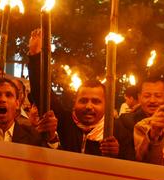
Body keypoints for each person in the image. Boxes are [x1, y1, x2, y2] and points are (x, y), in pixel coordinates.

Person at [27, 29, 130, 159]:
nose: (89, 106)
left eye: (96, 101)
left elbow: (132, 164)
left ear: (107, 105)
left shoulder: (119, 131)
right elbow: (41, 92)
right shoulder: (63, 122)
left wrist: (117, 154)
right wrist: (35, 56)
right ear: (74, 102)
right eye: (83, 100)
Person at [114, 76, 164, 151]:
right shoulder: (124, 123)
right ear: (139, 97)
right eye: (147, 96)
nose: (152, 100)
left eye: (158, 96)